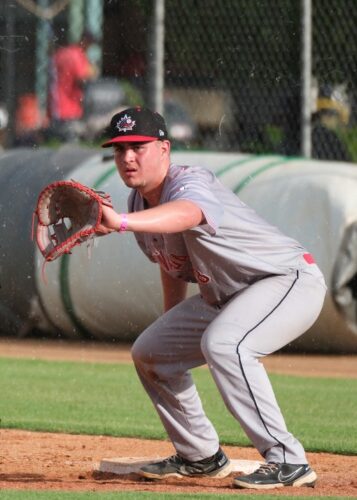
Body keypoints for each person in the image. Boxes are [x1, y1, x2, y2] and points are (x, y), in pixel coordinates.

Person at [98, 107, 327, 490]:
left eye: (138, 146)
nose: (128, 157)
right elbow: (171, 264)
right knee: (151, 351)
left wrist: (120, 223)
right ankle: (199, 456)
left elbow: (188, 214)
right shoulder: (139, 204)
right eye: (119, 150)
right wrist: (170, 326)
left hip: (287, 281)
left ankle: (289, 461)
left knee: (225, 344)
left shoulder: (188, 181)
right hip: (228, 295)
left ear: (165, 148)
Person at [48, 31, 98, 141]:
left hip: (55, 104)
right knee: (71, 139)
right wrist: (94, 71)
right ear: (84, 41)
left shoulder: (61, 53)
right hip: (69, 107)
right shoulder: (76, 54)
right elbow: (82, 76)